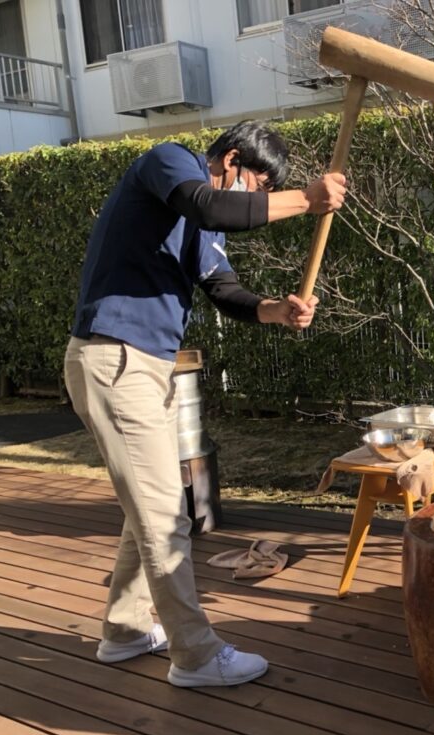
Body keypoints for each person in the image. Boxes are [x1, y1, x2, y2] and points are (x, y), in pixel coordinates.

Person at [63, 120, 346, 688]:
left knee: (150, 508)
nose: (259, 203)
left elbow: (225, 292)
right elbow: (213, 206)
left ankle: (124, 630)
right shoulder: (170, 164)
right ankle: (194, 655)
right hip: (115, 358)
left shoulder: (201, 226)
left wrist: (276, 309)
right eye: (260, 188)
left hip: (149, 366)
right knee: (166, 516)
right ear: (232, 160)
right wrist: (309, 199)